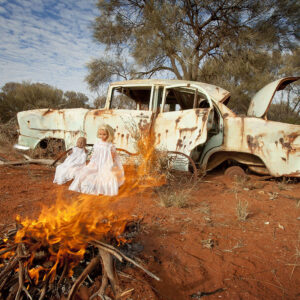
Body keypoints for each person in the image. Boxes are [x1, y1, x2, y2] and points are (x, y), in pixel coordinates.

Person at [69, 124, 124, 196]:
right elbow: (95, 153)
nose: (102, 136)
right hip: (97, 162)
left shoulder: (110, 145)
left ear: (109, 134)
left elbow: (112, 156)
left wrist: (111, 164)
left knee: (107, 176)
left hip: (106, 163)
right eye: (100, 134)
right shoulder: (97, 143)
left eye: (104, 134)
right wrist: (92, 158)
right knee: (86, 172)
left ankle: (104, 188)